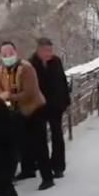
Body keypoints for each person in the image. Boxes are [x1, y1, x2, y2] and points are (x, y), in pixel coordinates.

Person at [0, 41, 54, 191]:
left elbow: (30, 92)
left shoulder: (26, 68)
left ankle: (47, 177)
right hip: (17, 111)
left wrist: (8, 97)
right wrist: (1, 94)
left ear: (16, 52)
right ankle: (28, 170)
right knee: (21, 142)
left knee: (39, 143)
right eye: (5, 54)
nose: (8, 56)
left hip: (35, 109)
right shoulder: (1, 70)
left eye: (10, 53)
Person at [29, 38, 71, 179]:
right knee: (40, 140)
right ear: (39, 50)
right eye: (46, 51)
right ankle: (44, 167)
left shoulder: (56, 61)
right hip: (39, 107)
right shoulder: (31, 65)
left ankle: (58, 166)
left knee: (57, 136)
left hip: (55, 106)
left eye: (51, 50)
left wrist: (66, 101)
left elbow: (63, 81)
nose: (49, 53)